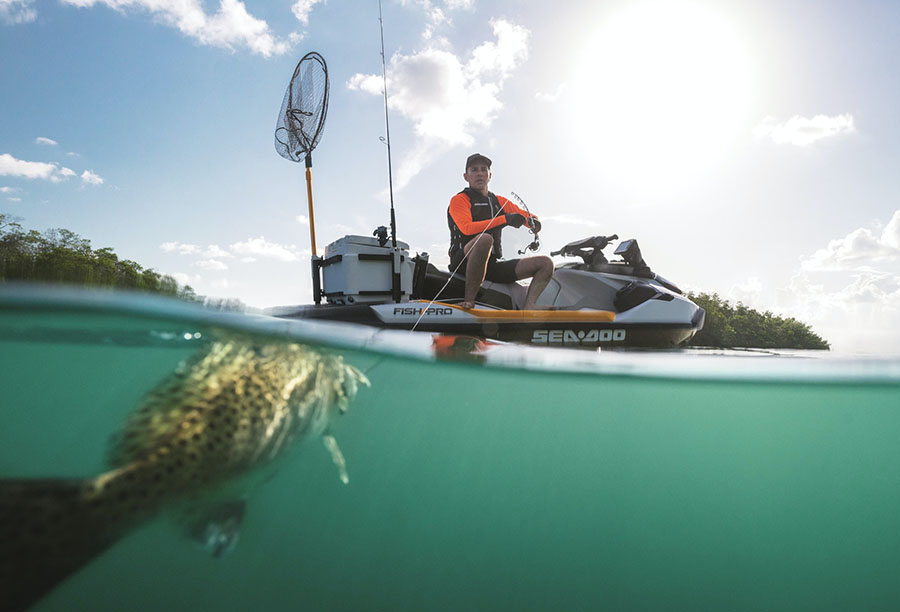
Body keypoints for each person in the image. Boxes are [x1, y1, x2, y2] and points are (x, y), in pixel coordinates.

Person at [447, 153, 554, 310]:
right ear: (466, 176)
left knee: (546, 263)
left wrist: (534, 222)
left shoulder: (499, 201)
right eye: (474, 170)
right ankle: (469, 301)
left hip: (492, 265)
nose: (479, 173)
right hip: (463, 261)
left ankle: (529, 307)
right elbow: (467, 229)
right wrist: (505, 219)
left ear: (490, 175)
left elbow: (526, 216)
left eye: (484, 170)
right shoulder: (459, 200)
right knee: (484, 239)